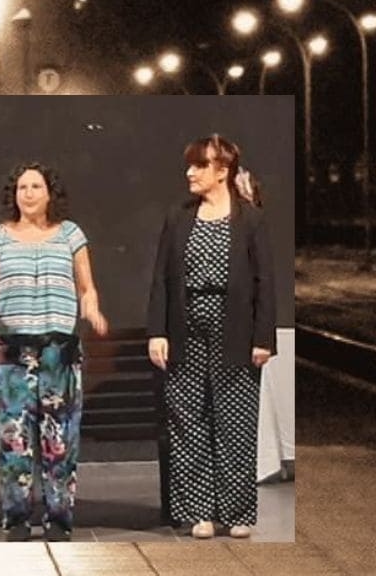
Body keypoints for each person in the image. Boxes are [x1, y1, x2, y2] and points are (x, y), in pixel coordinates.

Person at [0, 162, 108, 542]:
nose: (28, 193)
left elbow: (86, 287)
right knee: (14, 437)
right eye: (22, 187)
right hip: (13, 348)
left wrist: (92, 310)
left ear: (49, 193)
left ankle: (58, 518)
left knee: (60, 438)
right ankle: (17, 519)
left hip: (59, 348)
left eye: (36, 186)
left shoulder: (70, 233)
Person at [147, 134, 276, 539]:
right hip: (186, 324)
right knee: (187, 419)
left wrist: (263, 337)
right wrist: (158, 331)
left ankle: (236, 511)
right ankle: (199, 511)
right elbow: (162, 278)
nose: (190, 172)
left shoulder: (249, 218)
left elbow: (264, 281)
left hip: (235, 326)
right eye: (190, 165)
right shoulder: (178, 216)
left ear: (223, 171)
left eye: (199, 165)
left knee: (236, 418)